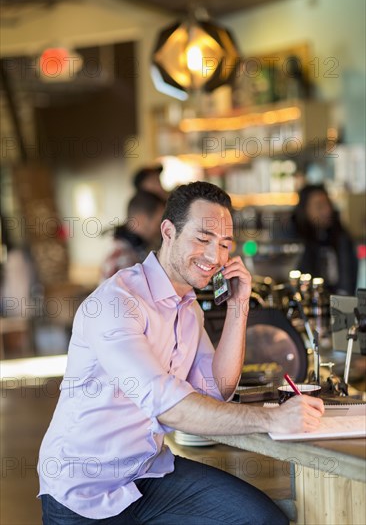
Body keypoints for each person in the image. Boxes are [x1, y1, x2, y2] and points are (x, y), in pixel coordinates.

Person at [38, 181, 324, 524]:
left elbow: (216, 390)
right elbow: (167, 405)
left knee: (260, 519)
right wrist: (272, 418)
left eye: (224, 245)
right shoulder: (116, 304)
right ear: (168, 231)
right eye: (203, 239)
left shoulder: (189, 310)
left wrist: (239, 307)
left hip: (147, 473)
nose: (214, 256)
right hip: (83, 492)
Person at [290, 184, 358, 295]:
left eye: (328, 204)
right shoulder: (294, 241)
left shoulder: (340, 237)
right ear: (304, 210)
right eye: (319, 206)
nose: (327, 211)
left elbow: (347, 283)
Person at [101, 190, 165, 280]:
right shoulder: (123, 257)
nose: (160, 229)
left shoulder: (134, 250)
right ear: (142, 219)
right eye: (158, 222)